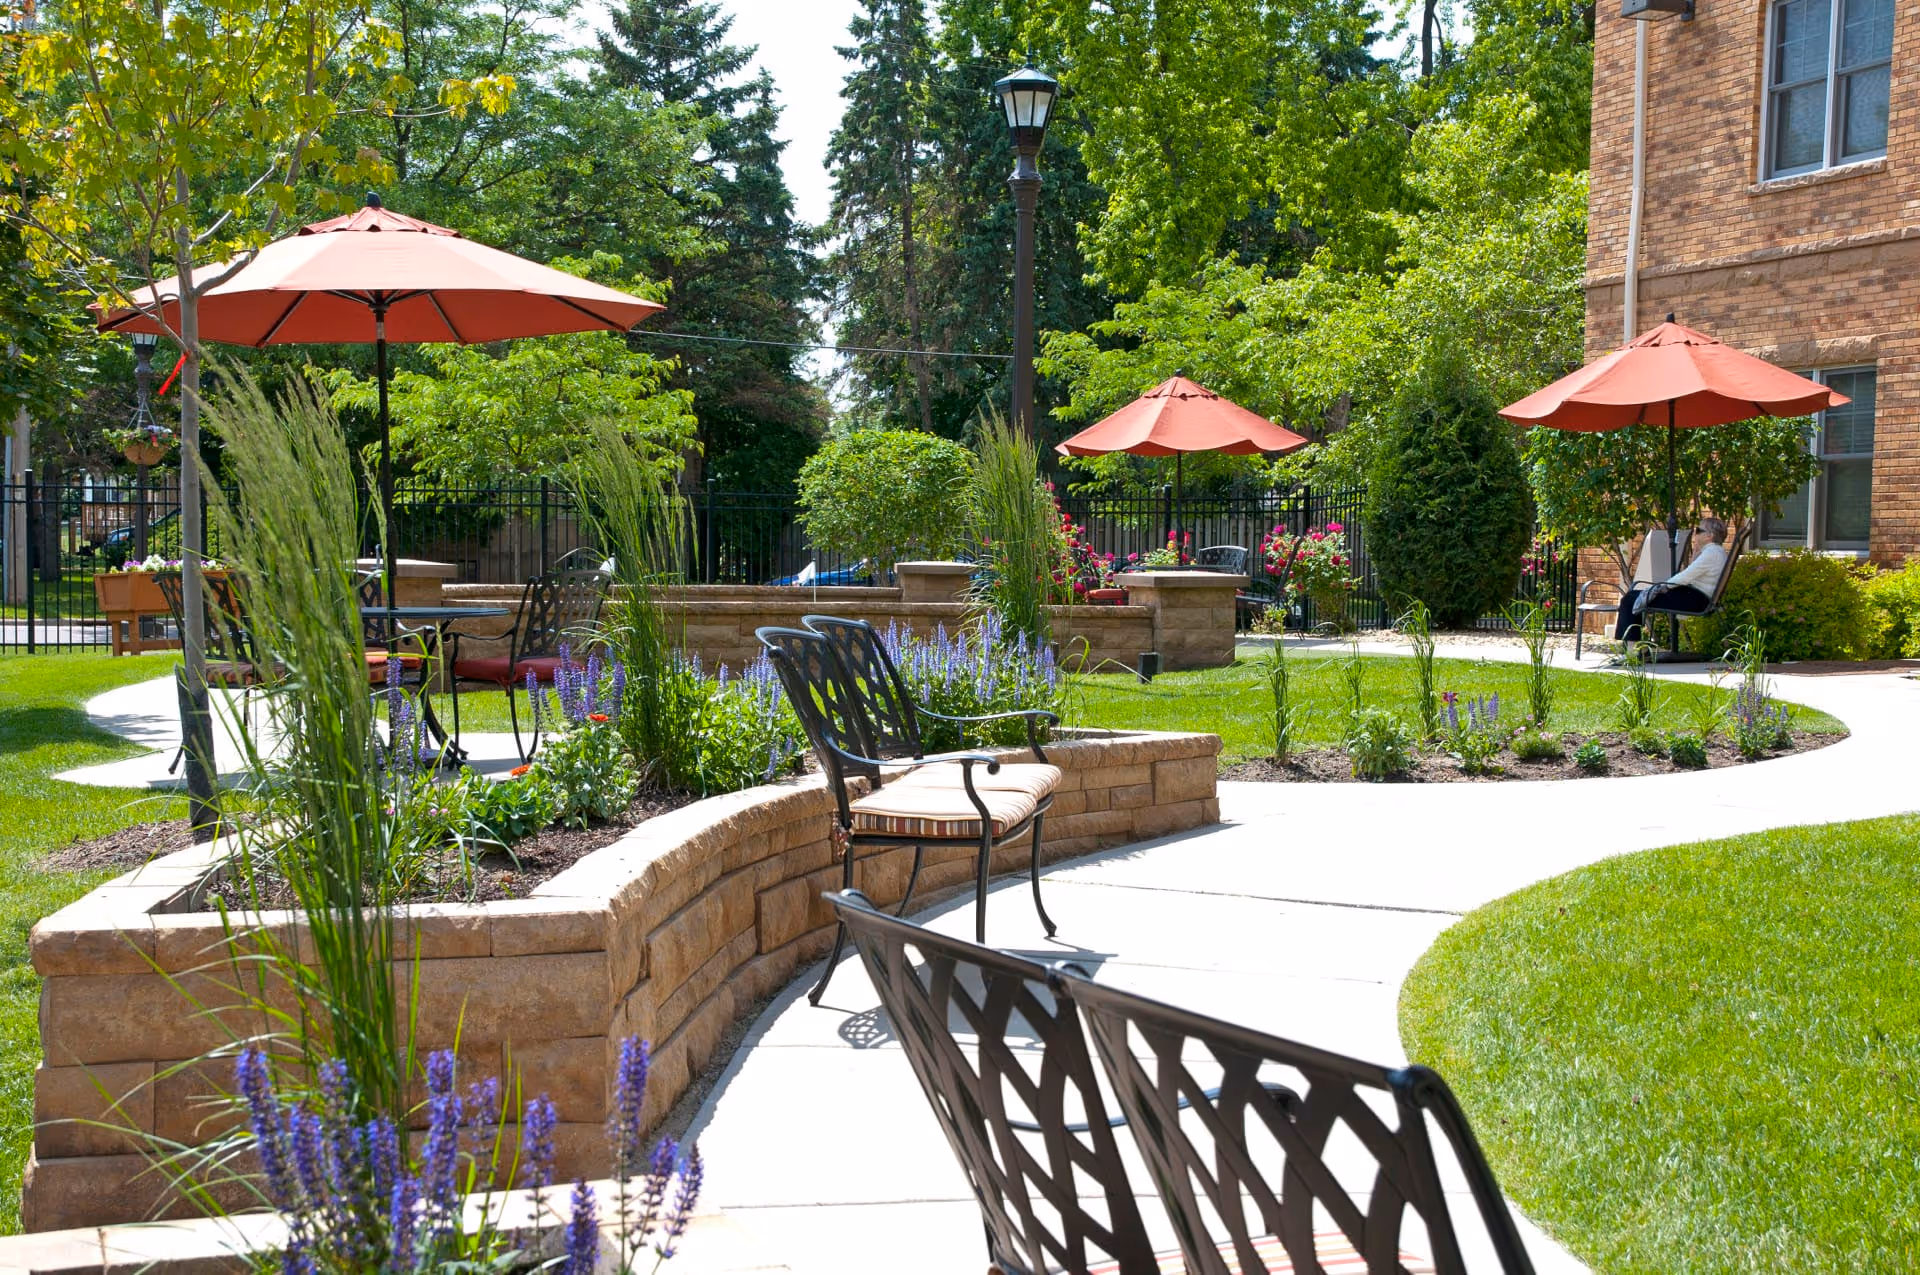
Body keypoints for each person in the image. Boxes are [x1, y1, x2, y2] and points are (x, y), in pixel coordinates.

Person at [1615, 517, 1730, 641]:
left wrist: (1662, 587)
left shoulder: (1711, 553)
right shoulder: (1716, 552)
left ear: (1709, 536)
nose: (1695, 534)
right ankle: (1638, 650)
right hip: (1697, 596)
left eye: (1698, 530)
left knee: (1630, 598)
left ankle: (1633, 651)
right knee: (1634, 596)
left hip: (1697, 600)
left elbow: (1684, 577)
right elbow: (1693, 573)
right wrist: (1696, 553)